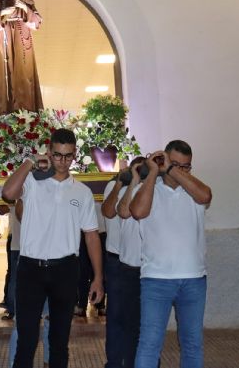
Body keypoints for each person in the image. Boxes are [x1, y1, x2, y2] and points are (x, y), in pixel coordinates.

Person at [2, 128, 104, 368]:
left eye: (68, 156)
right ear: (49, 152)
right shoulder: (32, 182)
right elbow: (8, 193)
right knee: (26, 340)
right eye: (57, 155)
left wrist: (98, 278)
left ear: (74, 155)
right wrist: (30, 162)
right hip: (30, 268)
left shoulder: (82, 192)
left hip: (65, 270)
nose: (62, 161)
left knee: (59, 341)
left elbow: (91, 236)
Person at [130, 141, 212, 368]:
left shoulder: (194, 190)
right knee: (149, 344)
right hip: (156, 280)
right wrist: (153, 172)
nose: (180, 170)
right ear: (162, 160)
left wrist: (172, 169)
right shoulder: (147, 189)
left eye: (186, 166)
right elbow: (138, 211)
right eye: (175, 163)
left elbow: (206, 196)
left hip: (194, 279)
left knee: (192, 344)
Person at [101, 156, 145, 368]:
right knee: (116, 316)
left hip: (139, 262)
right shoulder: (114, 186)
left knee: (142, 319)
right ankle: (115, 363)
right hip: (116, 260)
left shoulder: (149, 189)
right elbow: (108, 212)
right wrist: (120, 182)